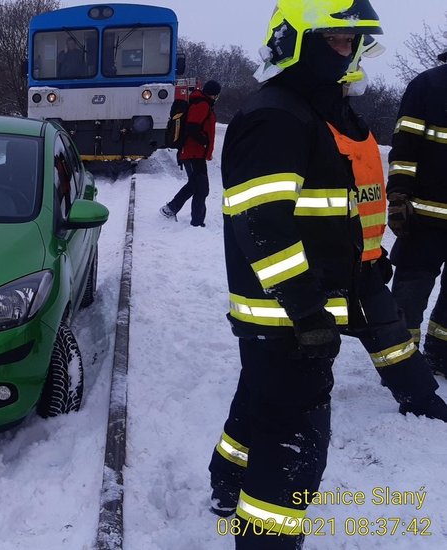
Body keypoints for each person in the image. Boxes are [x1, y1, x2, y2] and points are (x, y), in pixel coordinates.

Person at [203, 2, 443, 548]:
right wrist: (307, 310)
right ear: (296, 40)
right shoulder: (275, 117)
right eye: (337, 41)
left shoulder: (310, 115)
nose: (350, 54)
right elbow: (262, 225)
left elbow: (329, 217)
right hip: (287, 317)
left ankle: (226, 484)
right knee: (292, 454)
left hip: (296, 313)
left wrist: (363, 266)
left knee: (259, 405)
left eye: (355, 43)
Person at [385, 48, 447, 377]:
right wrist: (398, 195)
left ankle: (440, 354)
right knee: (411, 288)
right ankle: (400, 360)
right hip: (425, 215)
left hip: (426, 214)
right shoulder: (429, 85)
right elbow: (405, 146)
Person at [160, 80, 220, 227]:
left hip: (195, 154)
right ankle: (197, 223)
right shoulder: (202, 105)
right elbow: (192, 127)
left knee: (196, 186)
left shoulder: (202, 104)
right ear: (214, 94)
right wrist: (204, 140)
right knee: (201, 188)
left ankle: (171, 209)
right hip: (192, 154)